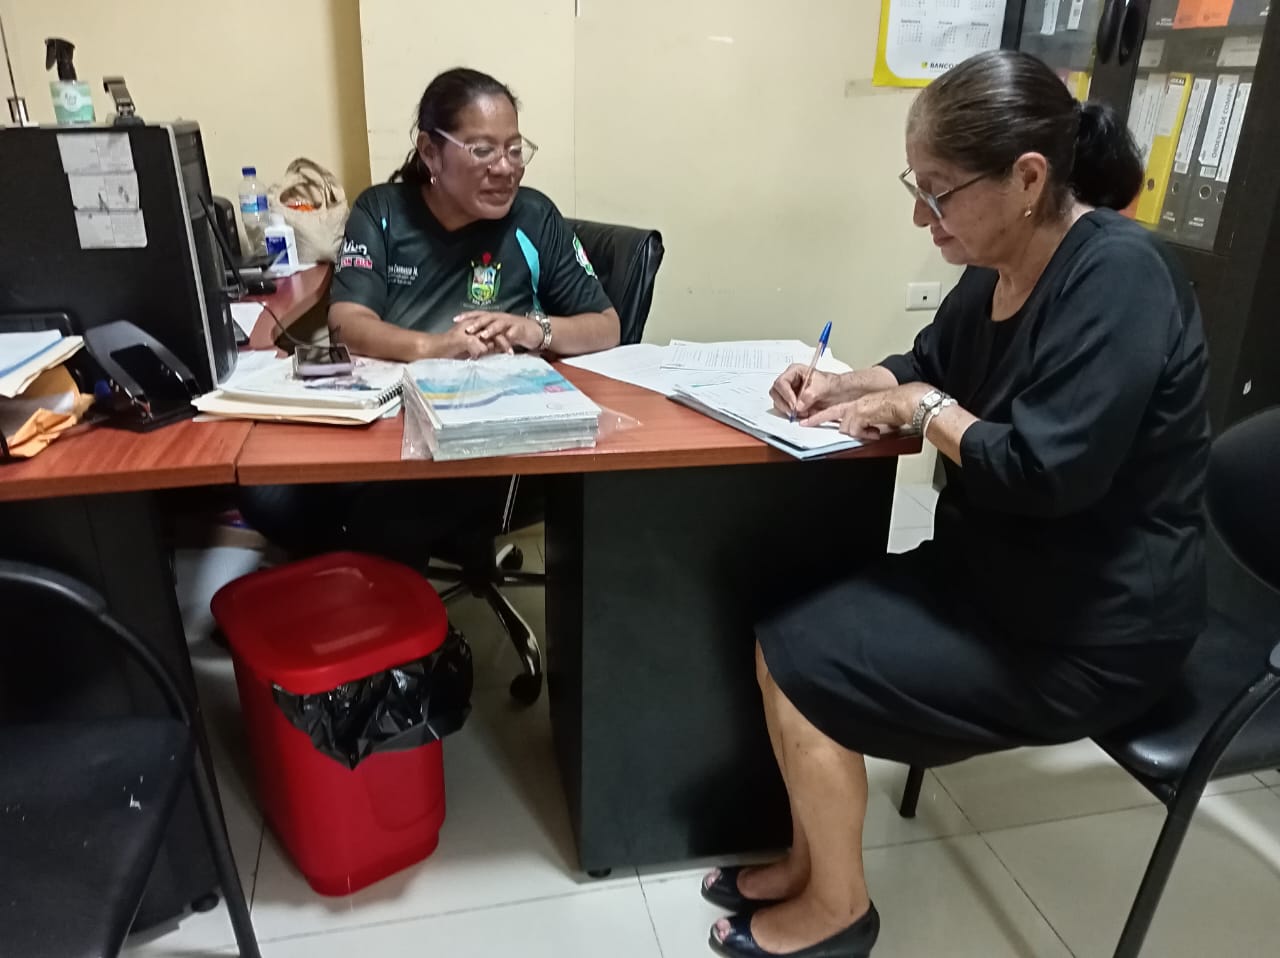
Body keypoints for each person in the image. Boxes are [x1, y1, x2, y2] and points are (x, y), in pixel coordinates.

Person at [702, 50, 1210, 958]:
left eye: (938, 193)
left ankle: (839, 912)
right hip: (1001, 578)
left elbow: (1045, 471)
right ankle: (810, 863)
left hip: (1093, 627)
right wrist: (845, 385)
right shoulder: (994, 263)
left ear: (1028, 179)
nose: (920, 216)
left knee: (809, 667)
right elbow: (929, 363)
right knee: (781, 627)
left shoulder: (1121, 278)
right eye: (917, 187)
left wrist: (919, 408)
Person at [239, 68, 619, 563]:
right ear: (430, 152)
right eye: (483, 150)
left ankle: (381, 590)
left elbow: (606, 326)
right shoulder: (382, 211)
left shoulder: (534, 217)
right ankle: (356, 582)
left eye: (514, 149)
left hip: (482, 440)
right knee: (267, 495)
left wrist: (535, 330)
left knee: (382, 519)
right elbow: (347, 322)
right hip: (383, 423)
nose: (506, 168)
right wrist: (435, 347)